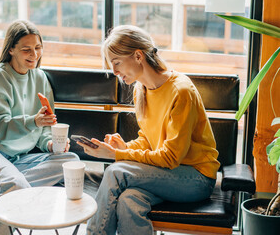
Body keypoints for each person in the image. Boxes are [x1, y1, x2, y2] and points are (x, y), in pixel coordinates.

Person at [77, 25, 220, 235]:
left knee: (116, 171)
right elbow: (148, 137)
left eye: (116, 63)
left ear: (137, 56)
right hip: (167, 176)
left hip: (196, 179)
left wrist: (118, 155)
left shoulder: (181, 90)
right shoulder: (141, 90)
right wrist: (125, 146)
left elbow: (170, 157)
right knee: (129, 201)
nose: (114, 71)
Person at [0, 20, 79, 235]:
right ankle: (2, 185)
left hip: (14, 158)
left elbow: (45, 125)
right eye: (26, 49)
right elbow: (0, 128)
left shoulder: (40, 77)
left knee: (70, 162)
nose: (34, 54)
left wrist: (49, 143)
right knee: (15, 185)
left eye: (38, 48)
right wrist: (33, 121)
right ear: (11, 49)